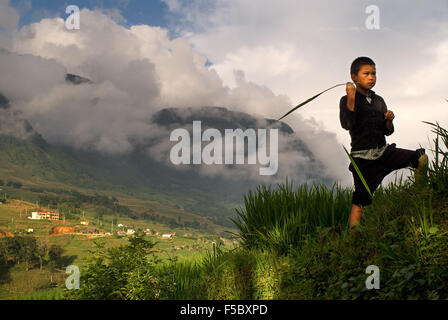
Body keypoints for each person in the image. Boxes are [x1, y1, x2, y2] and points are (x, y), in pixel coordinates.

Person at [339, 56, 429, 231]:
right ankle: (352, 242)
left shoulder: (379, 100)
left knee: (421, 158)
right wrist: (350, 97)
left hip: (384, 152)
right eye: (366, 74)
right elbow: (347, 124)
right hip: (363, 160)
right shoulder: (347, 99)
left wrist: (389, 120)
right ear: (354, 77)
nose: (371, 77)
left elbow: (388, 131)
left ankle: (419, 198)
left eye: (374, 73)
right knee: (360, 202)